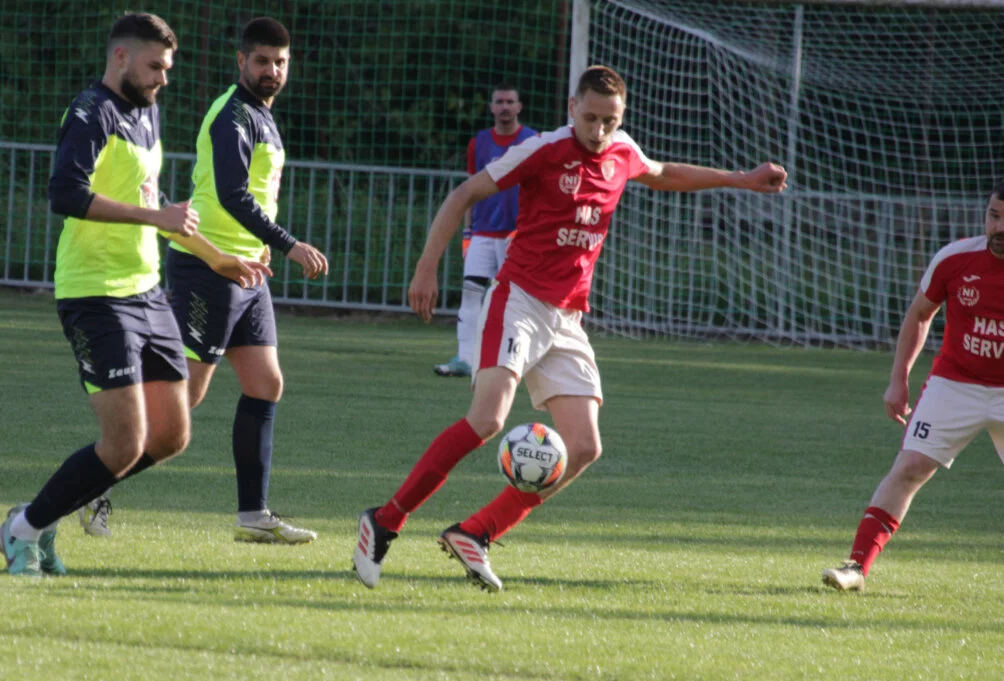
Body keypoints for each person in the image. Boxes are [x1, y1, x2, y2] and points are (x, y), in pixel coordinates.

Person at [352, 65, 788, 591]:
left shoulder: (622, 150)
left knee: (583, 447)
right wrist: (426, 269)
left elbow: (664, 174)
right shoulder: (544, 149)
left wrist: (741, 179)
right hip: (518, 301)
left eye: (610, 121)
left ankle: (476, 533)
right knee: (487, 420)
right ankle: (386, 520)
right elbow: (464, 193)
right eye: (591, 118)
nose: (599, 130)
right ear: (571, 108)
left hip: (566, 317)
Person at [0, 12, 271, 577]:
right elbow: (65, 192)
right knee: (123, 444)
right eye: (155, 66)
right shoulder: (91, 111)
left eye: (167, 68)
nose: (163, 78)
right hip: (95, 294)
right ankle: (22, 529)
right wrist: (154, 216)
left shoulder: (147, 112)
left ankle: (43, 515)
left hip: (147, 292)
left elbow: (153, 202)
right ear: (120, 57)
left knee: (171, 436)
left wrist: (216, 257)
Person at [822, 181, 1004, 591]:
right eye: (994, 216)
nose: (999, 228)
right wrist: (898, 379)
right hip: (955, 384)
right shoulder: (956, 259)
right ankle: (856, 567)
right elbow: (921, 313)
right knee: (908, 469)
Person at [434, 83, 537, 378]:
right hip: (482, 234)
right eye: (499, 101)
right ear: (491, 107)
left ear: (519, 107)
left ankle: (518, 360)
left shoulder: (532, 141)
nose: (504, 107)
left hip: (517, 236)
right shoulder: (478, 143)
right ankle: (465, 359)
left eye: (510, 101)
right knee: (471, 295)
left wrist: (528, 230)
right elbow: (469, 192)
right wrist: (467, 233)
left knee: (514, 301)